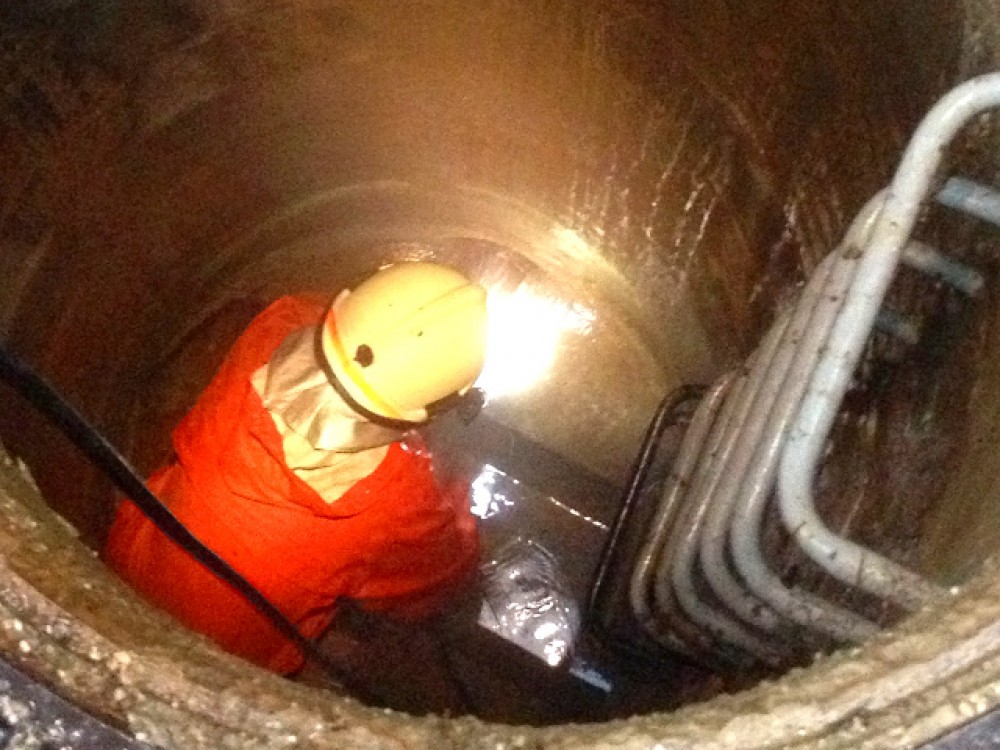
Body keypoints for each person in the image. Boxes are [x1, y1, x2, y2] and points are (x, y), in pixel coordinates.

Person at [104, 261, 488, 675]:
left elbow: (321, 317)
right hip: (219, 666)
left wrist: (389, 306)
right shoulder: (394, 501)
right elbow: (432, 583)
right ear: (439, 406)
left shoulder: (271, 328)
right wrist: (454, 483)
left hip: (126, 569)